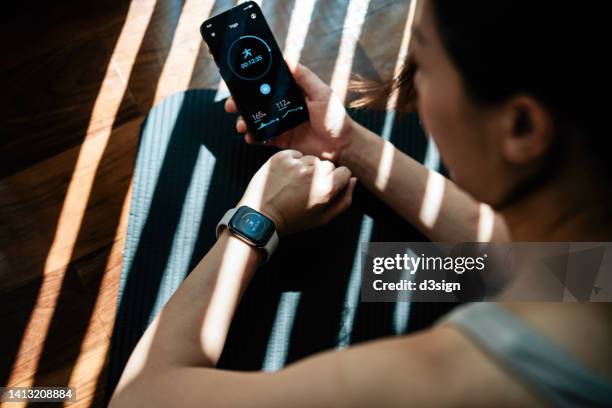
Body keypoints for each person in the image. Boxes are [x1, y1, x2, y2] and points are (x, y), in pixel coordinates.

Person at [110, 0, 612, 406]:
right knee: (389, 272)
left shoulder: (462, 379)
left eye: (423, 62)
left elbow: (138, 398)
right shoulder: (592, 261)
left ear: (522, 127)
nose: (413, 91)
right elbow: (554, 267)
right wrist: (347, 143)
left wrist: (255, 220)